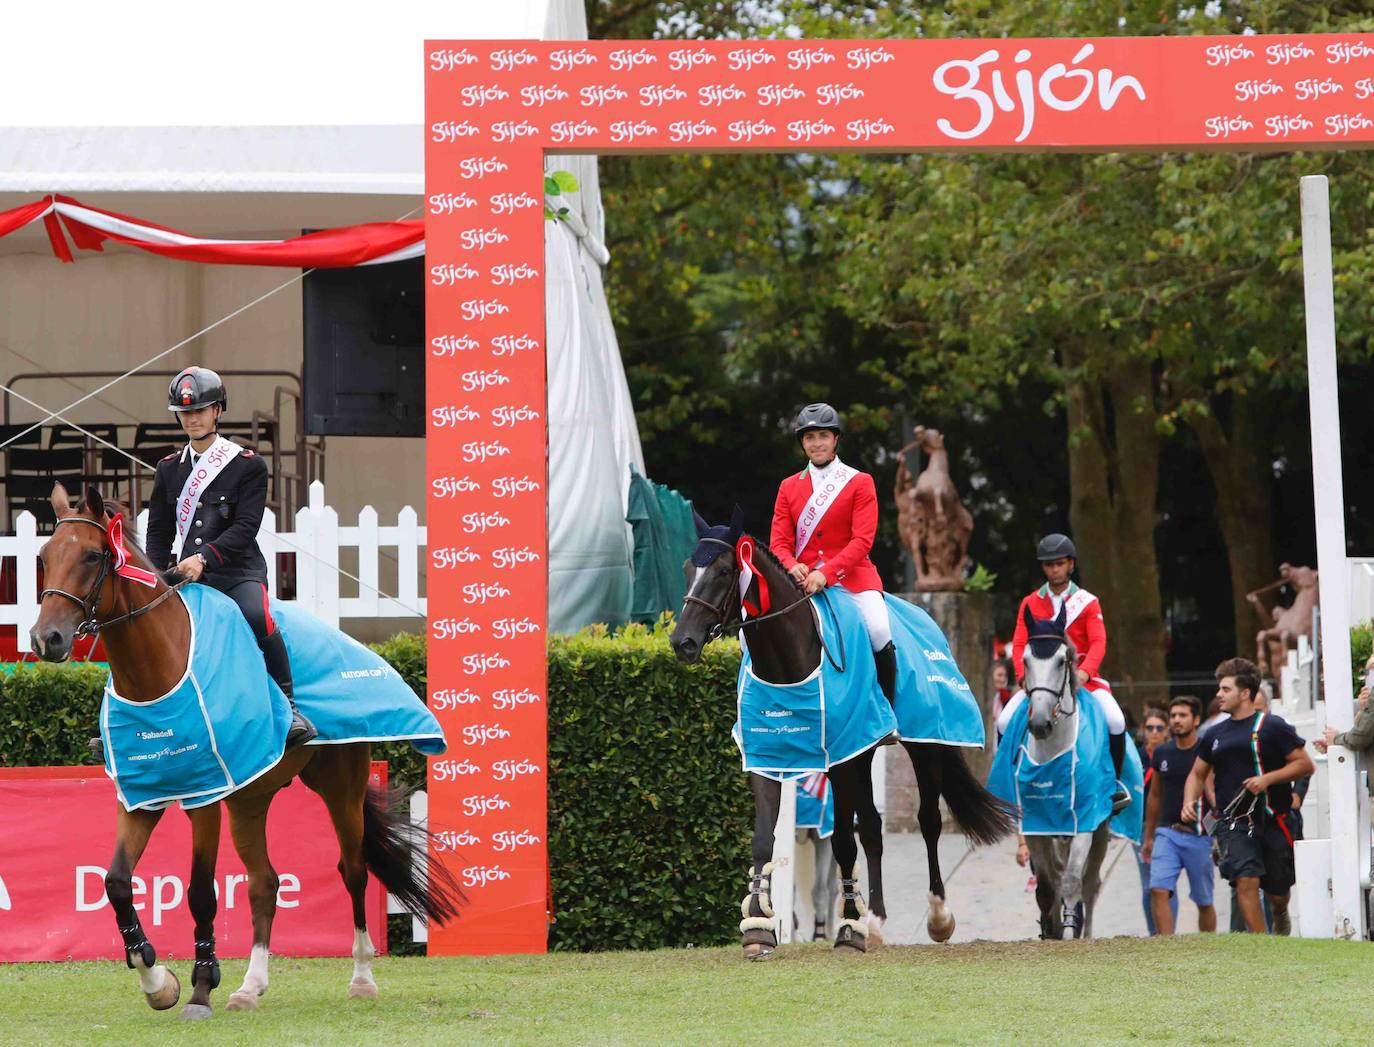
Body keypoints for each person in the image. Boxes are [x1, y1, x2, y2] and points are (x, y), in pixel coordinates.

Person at [145, 366, 316, 749]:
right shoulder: (168, 470)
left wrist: (203, 558)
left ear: (218, 410)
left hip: (236, 570)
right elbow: (158, 531)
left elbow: (245, 527)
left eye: (201, 410)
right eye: (185, 412)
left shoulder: (247, 464)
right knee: (141, 625)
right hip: (184, 574)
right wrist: (159, 574)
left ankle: (287, 708)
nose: (192, 418)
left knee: (258, 615)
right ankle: (133, 721)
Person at [769, 403, 896, 702]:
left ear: (835, 439)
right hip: (801, 581)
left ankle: (887, 706)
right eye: (810, 437)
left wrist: (825, 574)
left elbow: (862, 541)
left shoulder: (859, 482)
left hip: (852, 578)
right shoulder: (788, 487)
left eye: (823, 436)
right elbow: (779, 542)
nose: (817, 443)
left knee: (878, 628)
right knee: (751, 634)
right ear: (802, 442)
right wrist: (789, 564)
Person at [1182, 657, 1313, 935]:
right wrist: (1189, 802)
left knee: (1278, 892)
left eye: (1226, 689)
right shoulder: (1213, 734)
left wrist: (1268, 779)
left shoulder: (1273, 726)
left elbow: (1305, 764)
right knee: (1245, 880)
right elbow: (1197, 774)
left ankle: (1279, 911)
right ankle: (1262, 945)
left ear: (1245, 693)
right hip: (1234, 823)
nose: (1219, 695)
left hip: (1273, 817)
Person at [1002, 532, 1129, 812]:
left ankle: (1115, 786)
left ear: (1070, 564)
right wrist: (1023, 676)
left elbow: (1098, 642)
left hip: (1083, 680)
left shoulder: (1088, 602)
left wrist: (1084, 672)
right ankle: (1008, 785)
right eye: (1049, 565)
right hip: (1040, 681)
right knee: (1004, 720)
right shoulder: (1030, 603)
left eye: (1059, 563)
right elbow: (1020, 642)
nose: (1054, 569)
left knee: (1115, 719)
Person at [1141, 696, 1217, 935]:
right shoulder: (1162, 752)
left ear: (1196, 720)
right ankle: (1166, 945)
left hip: (1200, 836)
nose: (1176, 720)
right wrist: (1149, 836)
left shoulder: (1207, 751)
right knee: (1158, 888)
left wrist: (1216, 834)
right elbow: (1154, 795)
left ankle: (1207, 944)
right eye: (1173, 715)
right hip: (1167, 832)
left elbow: (1216, 794)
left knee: (1204, 900)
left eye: (1182, 715)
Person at [1134, 707, 1177, 935]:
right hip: (1142, 825)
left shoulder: (1172, 753)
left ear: (1166, 731)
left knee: (1166, 883)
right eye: (1150, 728)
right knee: (1148, 885)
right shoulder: (1135, 756)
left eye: (1159, 728)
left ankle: (1169, 932)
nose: (1154, 733)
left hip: (1169, 824)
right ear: (1143, 730)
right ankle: (1154, 934)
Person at [1314, 652, 1374, 756]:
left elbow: (1359, 738)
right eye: (1369, 676)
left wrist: (1336, 739)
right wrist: (1334, 744)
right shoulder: (1354, 706)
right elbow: (1353, 737)